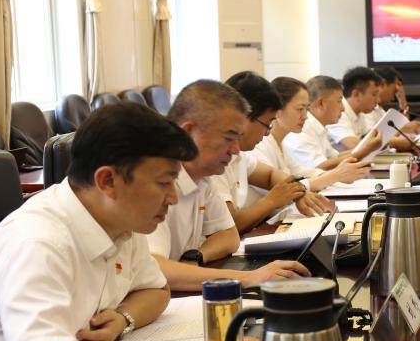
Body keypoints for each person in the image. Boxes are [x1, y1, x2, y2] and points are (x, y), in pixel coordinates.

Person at [0, 104, 221, 341]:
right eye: (164, 183)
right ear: (107, 181)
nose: (173, 198)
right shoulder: (38, 242)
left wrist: (123, 319)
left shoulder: (121, 220)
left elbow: (156, 290)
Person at [148, 80, 310, 291]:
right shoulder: (153, 180)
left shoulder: (202, 176)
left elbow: (228, 236)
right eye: (228, 138)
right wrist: (247, 278)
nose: (235, 150)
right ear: (189, 132)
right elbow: (155, 269)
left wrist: (194, 257)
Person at [218, 72, 334, 233]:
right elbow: (228, 228)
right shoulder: (215, 160)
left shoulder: (238, 155)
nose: (267, 133)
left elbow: (270, 175)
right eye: (267, 124)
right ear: (243, 118)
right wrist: (271, 201)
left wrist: (298, 193)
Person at [253, 77, 371, 189]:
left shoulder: (279, 142)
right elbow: (286, 186)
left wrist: (339, 174)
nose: (305, 116)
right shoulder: (261, 144)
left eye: (307, 109)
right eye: (300, 109)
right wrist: (337, 175)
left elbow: (301, 172)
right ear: (278, 110)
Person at [283, 74, 381, 170]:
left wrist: (366, 149)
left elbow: (335, 157)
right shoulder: (302, 127)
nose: (343, 108)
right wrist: (365, 150)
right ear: (321, 103)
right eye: (339, 101)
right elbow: (320, 166)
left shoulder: (319, 126)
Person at [328, 67, 417, 153]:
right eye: (374, 94)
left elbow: (372, 138)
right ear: (357, 94)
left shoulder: (360, 113)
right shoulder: (339, 113)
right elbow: (356, 146)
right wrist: (395, 143)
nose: (378, 100)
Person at [374, 66, 420, 133]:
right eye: (393, 92)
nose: (392, 99)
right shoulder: (368, 109)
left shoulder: (379, 109)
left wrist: (402, 102)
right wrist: (404, 128)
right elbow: (376, 135)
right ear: (383, 84)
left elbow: (402, 124)